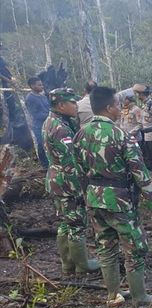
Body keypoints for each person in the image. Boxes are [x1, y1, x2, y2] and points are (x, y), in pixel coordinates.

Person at [74, 86, 152, 306]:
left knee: (105, 246)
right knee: (135, 247)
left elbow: (78, 170)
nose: (119, 108)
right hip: (119, 200)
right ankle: (140, 296)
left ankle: (113, 295)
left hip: (94, 198)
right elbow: (139, 171)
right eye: (116, 105)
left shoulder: (81, 133)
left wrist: (87, 196)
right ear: (109, 107)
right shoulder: (120, 135)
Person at [42, 88, 100, 275]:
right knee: (77, 223)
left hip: (57, 179)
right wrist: (83, 186)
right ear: (61, 105)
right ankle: (82, 265)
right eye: (72, 103)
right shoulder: (60, 128)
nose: (76, 106)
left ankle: (69, 264)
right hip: (67, 181)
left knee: (66, 222)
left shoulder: (52, 121)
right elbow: (70, 161)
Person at [25, 76, 50, 167]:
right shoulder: (30, 98)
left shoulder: (43, 96)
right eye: (39, 85)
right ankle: (45, 165)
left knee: (49, 144)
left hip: (48, 123)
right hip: (38, 126)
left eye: (42, 84)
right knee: (41, 145)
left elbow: (48, 107)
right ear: (32, 86)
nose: (42, 86)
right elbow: (35, 114)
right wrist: (49, 115)